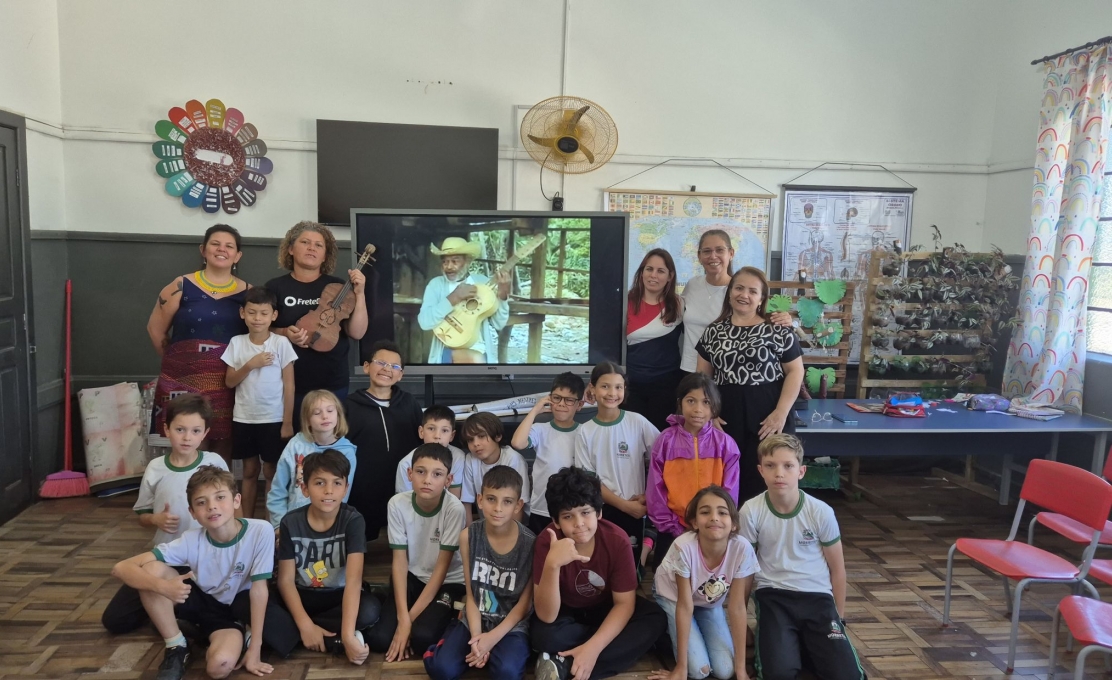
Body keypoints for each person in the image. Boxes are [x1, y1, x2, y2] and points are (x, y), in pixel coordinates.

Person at [109, 466, 275, 680]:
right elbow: (121, 567)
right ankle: (176, 645)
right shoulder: (190, 539)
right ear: (193, 513)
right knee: (152, 570)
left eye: (220, 497)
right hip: (198, 599)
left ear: (236, 501)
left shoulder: (261, 531)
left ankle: (202, 633)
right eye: (201, 502)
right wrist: (164, 587)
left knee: (219, 668)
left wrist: (255, 650)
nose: (212, 507)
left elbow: (259, 591)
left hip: (229, 612)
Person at [738, 435, 865, 680]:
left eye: (788, 466)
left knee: (847, 675)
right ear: (760, 470)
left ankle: (802, 643)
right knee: (779, 674)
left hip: (818, 599)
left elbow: (837, 569)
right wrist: (742, 621)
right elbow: (744, 571)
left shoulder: (821, 511)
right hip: (774, 597)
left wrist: (838, 618)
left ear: (801, 471)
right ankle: (792, 644)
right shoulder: (751, 511)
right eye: (770, 465)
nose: (779, 473)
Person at [101, 394, 229, 635]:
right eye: (180, 429)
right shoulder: (156, 468)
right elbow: (143, 517)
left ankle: (171, 616)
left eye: (195, 431)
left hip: (205, 560)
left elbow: (233, 509)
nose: (187, 437)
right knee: (115, 620)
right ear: (166, 429)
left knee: (210, 606)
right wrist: (155, 519)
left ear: (205, 433)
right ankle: (164, 610)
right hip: (165, 558)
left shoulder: (215, 463)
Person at [531, 467, 667, 680]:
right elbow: (546, 615)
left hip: (606, 607)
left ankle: (565, 665)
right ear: (556, 522)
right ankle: (602, 650)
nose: (579, 524)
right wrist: (552, 565)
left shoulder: (617, 540)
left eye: (586, 512)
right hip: (566, 613)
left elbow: (624, 604)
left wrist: (593, 649)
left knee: (655, 618)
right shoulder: (547, 542)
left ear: (599, 512)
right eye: (568, 516)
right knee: (543, 636)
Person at [696, 267, 804, 503]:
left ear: (761, 298)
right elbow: (702, 379)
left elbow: (795, 372)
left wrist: (781, 413)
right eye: (739, 288)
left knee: (771, 478)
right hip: (727, 417)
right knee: (729, 481)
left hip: (769, 416)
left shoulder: (778, 329)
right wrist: (709, 414)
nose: (744, 295)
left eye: (752, 291)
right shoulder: (713, 331)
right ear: (730, 292)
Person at [148, 224, 249, 464]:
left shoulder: (249, 293)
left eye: (229, 246)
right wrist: (182, 365)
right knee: (188, 446)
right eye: (215, 244)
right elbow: (155, 329)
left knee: (221, 446)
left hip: (228, 382)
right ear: (203, 250)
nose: (221, 250)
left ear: (237, 255)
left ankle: (217, 497)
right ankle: (184, 498)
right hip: (183, 381)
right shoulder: (180, 286)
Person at [423, 466, 536, 680]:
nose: (498, 508)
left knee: (507, 674)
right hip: (475, 618)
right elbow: (472, 594)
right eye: (491, 499)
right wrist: (477, 638)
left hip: (510, 625)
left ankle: (495, 653)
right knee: (441, 669)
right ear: (480, 500)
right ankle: (463, 648)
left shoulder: (531, 544)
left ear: (518, 505)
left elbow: (525, 605)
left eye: (507, 501)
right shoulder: (468, 537)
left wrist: (491, 639)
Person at [272, 450, 379, 663]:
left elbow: (354, 580)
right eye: (319, 483)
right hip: (302, 595)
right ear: (304, 488)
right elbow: (285, 581)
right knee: (257, 601)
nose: (329, 491)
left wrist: (348, 635)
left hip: (337, 596)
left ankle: (296, 634)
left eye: (337, 484)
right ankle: (322, 635)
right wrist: (305, 624)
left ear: (346, 488)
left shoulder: (353, 520)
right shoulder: (290, 522)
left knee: (370, 610)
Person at [365, 444, 467, 661]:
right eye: (420, 472)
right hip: (412, 577)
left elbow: (440, 571)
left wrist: (407, 623)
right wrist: (403, 621)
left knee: (422, 638)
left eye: (437, 474)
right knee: (380, 640)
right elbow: (400, 562)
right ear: (410, 474)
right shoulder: (397, 504)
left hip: (447, 581)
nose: (427, 479)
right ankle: (390, 599)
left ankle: (452, 614)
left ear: (448, 480)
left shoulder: (454, 509)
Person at [648, 486, 758, 680]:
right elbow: (684, 605)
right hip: (674, 597)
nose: (714, 517)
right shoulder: (684, 547)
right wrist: (680, 668)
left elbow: (738, 607)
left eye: (722, 512)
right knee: (699, 671)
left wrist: (741, 670)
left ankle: (696, 630)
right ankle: (660, 633)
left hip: (708, 602)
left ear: (733, 524)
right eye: (705, 512)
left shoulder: (742, 549)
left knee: (726, 671)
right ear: (695, 522)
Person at [267, 221, 368, 418]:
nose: (312, 248)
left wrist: (360, 293)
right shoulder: (275, 287)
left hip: (331, 382)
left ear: (325, 256)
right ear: (290, 249)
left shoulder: (339, 287)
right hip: (286, 382)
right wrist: (285, 333)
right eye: (305, 242)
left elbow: (357, 332)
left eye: (319, 245)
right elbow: (260, 330)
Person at [646, 373, 740, 568]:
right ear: (680, 403)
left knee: (707, 583)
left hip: (711, 530)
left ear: (715, 407)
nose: (698, 409)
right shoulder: (665, 441)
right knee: (666, 585)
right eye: (691, 401)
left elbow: (729, 493)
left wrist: (713, 522)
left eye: (706, 402)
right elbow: (656, 489)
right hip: (672, 530)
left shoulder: (725, 444)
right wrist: (672, 526)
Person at [574, 361, 659, 567]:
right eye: (605, 386)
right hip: (601, 512)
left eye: (618, 387)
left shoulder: (637, 422)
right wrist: (624, 506)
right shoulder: (585, 431)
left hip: (637, 510)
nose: (612, 393)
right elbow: (589, 481)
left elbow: (663, 458)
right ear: (592, 388)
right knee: (603, 568)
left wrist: (649, 495)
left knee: (631, 571)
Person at [222, 287, 298, 518]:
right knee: (249, 470)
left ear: (273, 316)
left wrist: (287, 421)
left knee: (271, 470)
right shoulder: (236, 343)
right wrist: (250, 364)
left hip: (273, 418)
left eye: (264, 313)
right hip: (244, 417)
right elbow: (229, 381)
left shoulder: (281, 343)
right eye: (252, 312)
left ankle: (270, 525)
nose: (258, 319)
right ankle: (246, 522)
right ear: (242, 313)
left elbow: (290, 385)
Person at [681, 230, 793, 375]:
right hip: (688, 368)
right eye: (707, 251)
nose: (713, 256)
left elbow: (763, 318)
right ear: (699, 256)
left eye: (719, 250)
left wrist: (788, 320)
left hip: (726, 369)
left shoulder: (740, 293)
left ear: (731, 254)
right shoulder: (692, 285)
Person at [345, 340, 424, 540]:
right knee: (362, 535)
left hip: (403, 484)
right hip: (364, 487)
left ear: (401, 375)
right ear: (366, 367)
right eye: (381, 362)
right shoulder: (349, 406)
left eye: (395, 366)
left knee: (406, 534)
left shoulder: (408, 403)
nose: (387, 369)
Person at [267, 391, 357, 530]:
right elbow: (278, 490)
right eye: (316, 412)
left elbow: (342, 495)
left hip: (328, 525)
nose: (325, 416)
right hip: (293, 522)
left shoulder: (347, 452)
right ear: (307, 419)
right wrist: (279, 525)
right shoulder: (295, 445)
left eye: (330, 410)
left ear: (338, 415)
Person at [510, 372, 585, 536]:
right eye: (557, 398)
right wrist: (535, 410)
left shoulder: (584, 432)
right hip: (541, 509)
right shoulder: (540, 429)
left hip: (572, 510)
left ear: (579, 405)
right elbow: (517, 443)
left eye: (569, 400)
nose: (561, 404)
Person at [417, 236, 510, 364]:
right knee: (476, 360)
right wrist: (453, 298)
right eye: (445, 262)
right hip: (448, 349)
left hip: (480, 350)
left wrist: (502, 296)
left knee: (478, 360)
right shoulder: (436, 285)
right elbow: (424, 322)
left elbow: (499, 324)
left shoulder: (482, 283)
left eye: (455, 261)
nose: (449, 266)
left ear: (468, 261)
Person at [625, 248, 685, 431]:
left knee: (661, 441)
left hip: (666, 387)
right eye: (649, 269)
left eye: (661, 271)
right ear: (641, 272)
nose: (653, 275)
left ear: (670, 276)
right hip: (630, 386)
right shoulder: (624, 301)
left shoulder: (679, 305)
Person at [460, 412, 531, 525]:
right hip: (487, 524)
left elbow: (519, 504)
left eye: (481, 436)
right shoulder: (470, 459)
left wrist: (510, 537)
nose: (476, 443)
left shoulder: (513, 459)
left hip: (513, 525)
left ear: (498, 436)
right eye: (470, 440)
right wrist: (470, 533)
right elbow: (466, 501)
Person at [396, 405, 466, 498]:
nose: (437, 436)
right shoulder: (405, 464)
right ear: (421, 432)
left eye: (444, 430)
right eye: (431, 429)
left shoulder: (458, 457)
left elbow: (454, 497)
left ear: (452, 435)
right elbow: (403, 501)